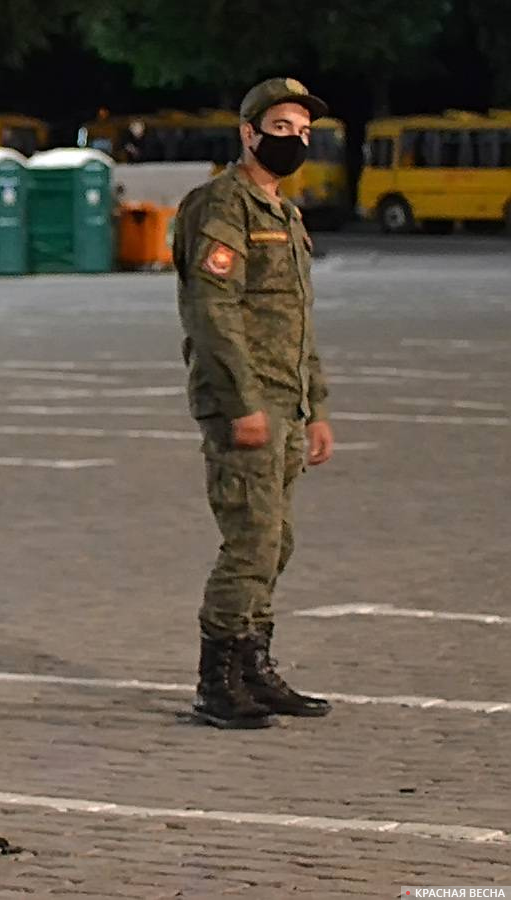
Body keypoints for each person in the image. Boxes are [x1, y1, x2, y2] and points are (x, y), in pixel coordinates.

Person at [173, 77, 336, 730]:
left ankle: (255, 665)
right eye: (281, 129)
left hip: (286, 406)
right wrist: (244, 404)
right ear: (248, 134)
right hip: (246, 405)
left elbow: (299, 321)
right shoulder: (222, 205)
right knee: (250, 541)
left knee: (277, 541)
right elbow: (213, 312)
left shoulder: (286, 215)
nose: (294, 140)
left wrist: (315, 407)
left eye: (303, 132)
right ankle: (219, 679)